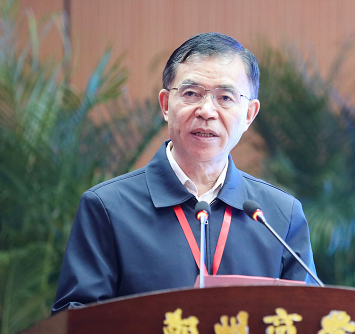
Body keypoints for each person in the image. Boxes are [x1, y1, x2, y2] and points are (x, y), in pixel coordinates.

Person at [52, 32, 316, 314]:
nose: (207, 111)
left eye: (225, 97)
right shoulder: (108, 208)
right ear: (166, 105)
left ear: (249, 114)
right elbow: (74, 324)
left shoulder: (279, 216)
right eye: (191, 94)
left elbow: (310, 320)